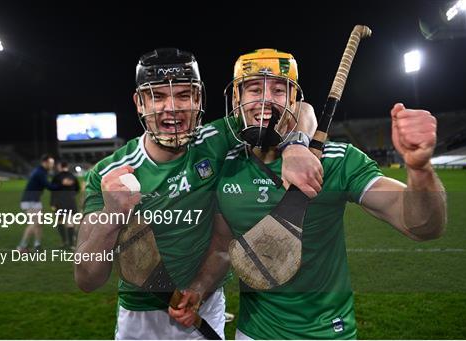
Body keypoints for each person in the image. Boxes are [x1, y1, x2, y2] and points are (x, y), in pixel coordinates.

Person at [169, 48, 447, 339]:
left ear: (294, 100)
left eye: (278, 90)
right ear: (236, 99)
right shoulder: (226, 167)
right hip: (254, 333)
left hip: (327, 333)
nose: (265, 99)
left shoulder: (337, 160)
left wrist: (420, 169)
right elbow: (222, 247)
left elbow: (421, 226)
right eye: (253, 89)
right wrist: (198, 289)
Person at [74, 48, 322, 340]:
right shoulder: (109, 173)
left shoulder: (217, 139)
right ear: (139, 103)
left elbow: (302, 109)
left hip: (205, 305)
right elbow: (87, 278)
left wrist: (295, 145)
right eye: (157, 96)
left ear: (199, 100)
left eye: (183, 95)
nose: (172, 107)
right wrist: (112, 215)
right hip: (139, 317)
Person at [16, 154, 61, 252]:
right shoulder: (40, 172)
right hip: (29, 201)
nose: (52, 165)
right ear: (44, 162)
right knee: (34, 223)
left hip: (35, 200)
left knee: (39, 223)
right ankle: (21, 246)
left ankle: (37, 245)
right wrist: (62, 185)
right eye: (51, 163)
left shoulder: (42, 171)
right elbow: (48, 186)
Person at [50, 161, 80, 249]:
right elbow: (77, 189)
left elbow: (53, 191)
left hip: (59, 202)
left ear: (60, 166)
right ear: (67, 166)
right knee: (70, 222)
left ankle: (64, 242)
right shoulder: (73, 177)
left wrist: (52, 203)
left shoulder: (56, 177)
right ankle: (71, 244)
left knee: (60, 222)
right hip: (70, 201)